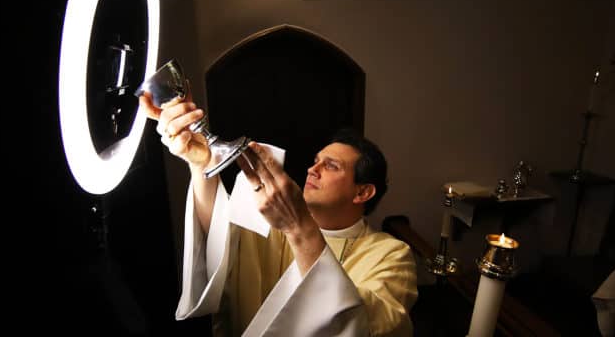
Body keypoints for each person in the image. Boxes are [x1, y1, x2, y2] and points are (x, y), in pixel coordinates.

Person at [139, 90, 418, 336]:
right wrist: (200, 165)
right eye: (315, 161)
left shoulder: (391, 255)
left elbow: (359, 326)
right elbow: (217, 241)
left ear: (362, 192)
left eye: (331, 166)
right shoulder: (272, 225)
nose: (312, 169)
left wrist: (299, 227)